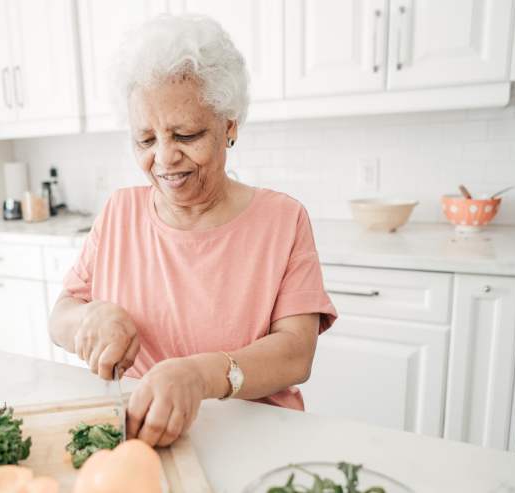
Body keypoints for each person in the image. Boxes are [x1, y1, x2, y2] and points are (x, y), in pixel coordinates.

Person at [49, 14, 337, 447]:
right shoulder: (119, 212)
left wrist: (199, 375)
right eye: (145, 140)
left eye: (185, 134)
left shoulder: (283, 220)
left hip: (255, 438)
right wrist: (90, 320)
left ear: (229, 126)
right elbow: (61, 315)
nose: (164, 159)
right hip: (143, 436)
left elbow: (297, 354)